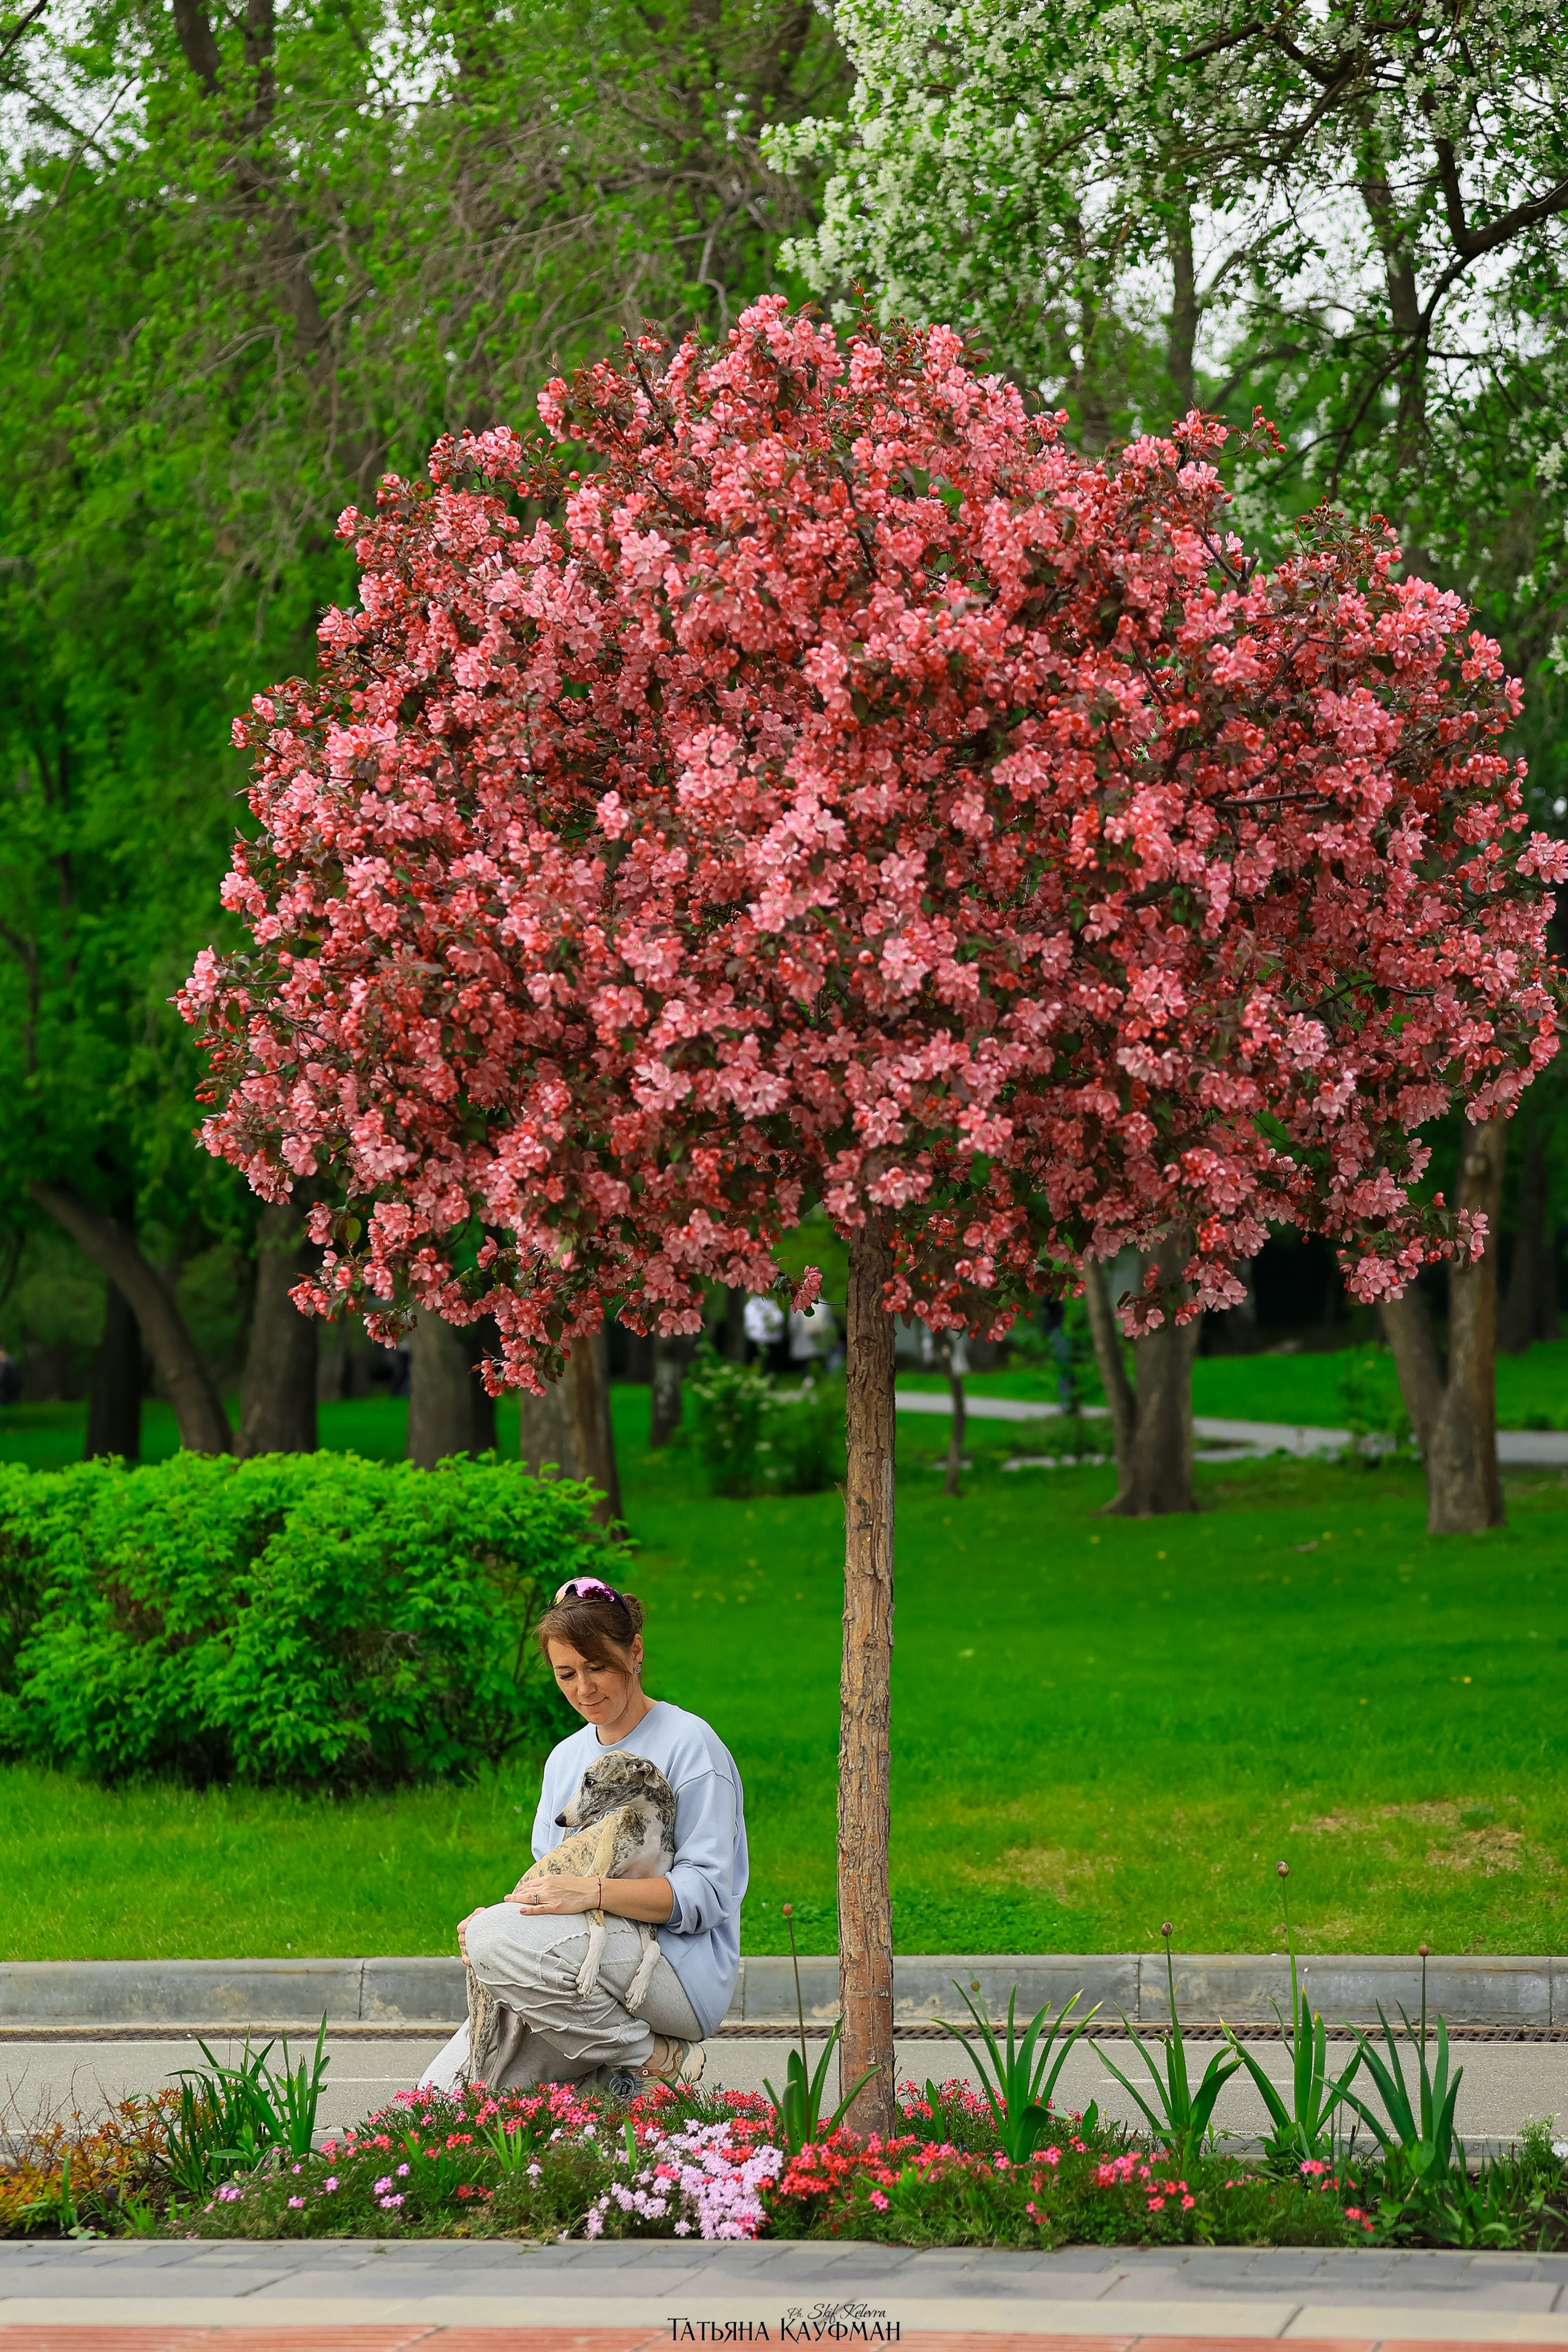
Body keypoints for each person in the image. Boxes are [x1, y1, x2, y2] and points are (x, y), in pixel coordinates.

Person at [421, 1577, 747, 2095]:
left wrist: (591, 1895)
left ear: (635, 1651)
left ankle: (657, 2057)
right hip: (580, 1969)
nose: (583, 1689)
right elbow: (556, 1880)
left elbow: (706, 1897)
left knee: (499, 1940)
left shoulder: (691, 1746)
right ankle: (612, 2079)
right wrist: (507, 1917)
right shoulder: (565, 1759)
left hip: (678, 1973)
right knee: (440, 2097)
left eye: (597, 1667)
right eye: (566, 1673)